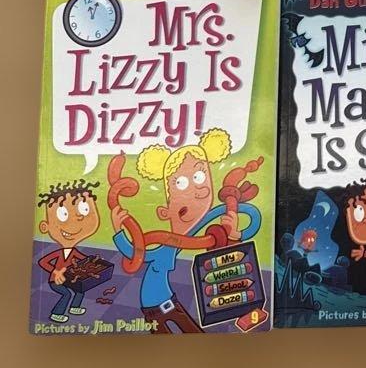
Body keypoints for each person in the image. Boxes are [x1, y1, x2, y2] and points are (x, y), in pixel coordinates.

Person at [108, 129, 262, 334]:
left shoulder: (207, 220)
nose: (197, 191)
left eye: (200, 177)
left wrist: (235, 234)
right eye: (181, 184)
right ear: (165, 212)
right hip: (154, 309)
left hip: (173, 303)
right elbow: (137, 253)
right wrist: (119, 231)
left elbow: (252, 218)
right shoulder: (166, 248)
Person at [36, 180, 101, 324]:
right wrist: (55, 272)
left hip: (69, 279)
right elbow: (43, 261)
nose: (76, 219)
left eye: (84, 210)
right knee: (66, 294)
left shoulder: (74, 252)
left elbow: (84, 259)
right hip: (56, 281)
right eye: (63, 214)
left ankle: (74, 307)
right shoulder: (59, 253)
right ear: (45, 226)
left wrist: (94, 261)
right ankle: (56, 314)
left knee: (80, 290)